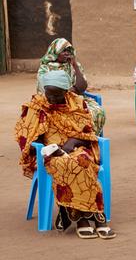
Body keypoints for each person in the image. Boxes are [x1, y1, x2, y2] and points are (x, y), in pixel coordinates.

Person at [15, 70, 116, 239]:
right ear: (44, 90)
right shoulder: (37, 106)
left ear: (66, 91)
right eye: (49, 94)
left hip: (78, 148)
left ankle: (79, 215)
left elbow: (88, 133)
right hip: (50, 154)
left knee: (82, 160)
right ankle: (94, 218)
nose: (52, 99)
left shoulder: (77, 103)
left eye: (57, 95)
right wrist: (48, 140)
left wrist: (74, 142)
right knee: (67, 164)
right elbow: (26, 136)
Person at [37, 38, 106, 135]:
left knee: (97, 112)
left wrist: (75, 65)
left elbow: (82, 86)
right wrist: (68, 92)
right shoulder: (45, 67)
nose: (66, 53)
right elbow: (44, 89)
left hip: (75, 99)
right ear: (55, 51)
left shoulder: (72, 65)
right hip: (53, 100)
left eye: (68, 50)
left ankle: (87, 137)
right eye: (63, 50)